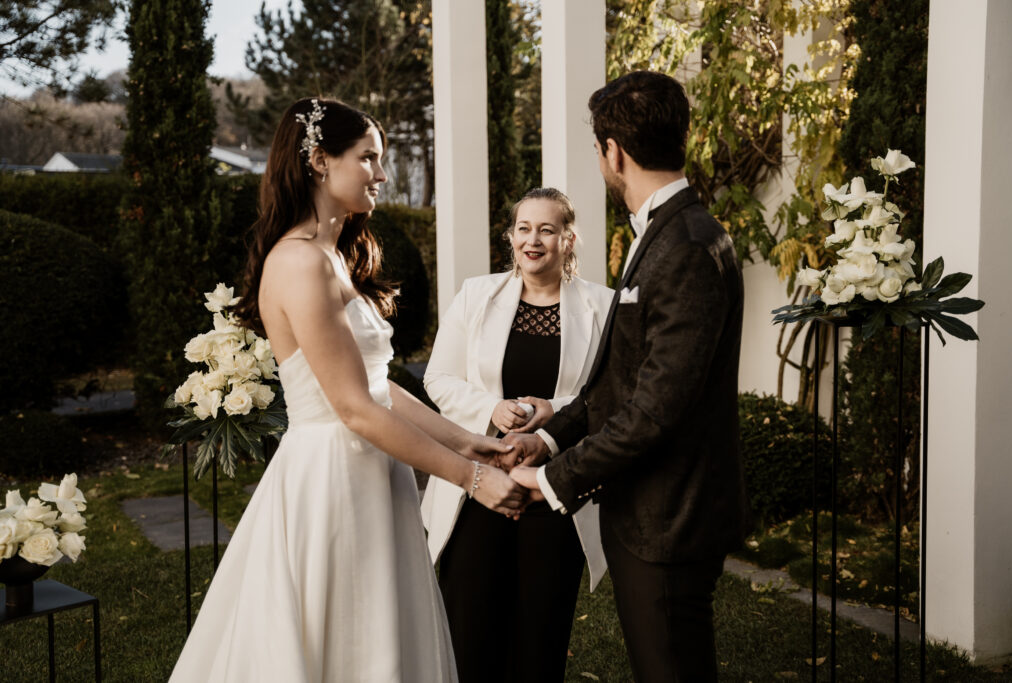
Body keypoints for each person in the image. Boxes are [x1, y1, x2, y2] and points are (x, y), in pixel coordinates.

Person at [169, 97, 524, 682]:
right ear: (317, 160)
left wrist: (471, 443)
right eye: (368, 159)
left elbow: (377, 386)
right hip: (331, 478)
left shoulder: (333, 256)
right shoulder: (299, 262)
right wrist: (473, 481)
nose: (381, 175)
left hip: (372, 471)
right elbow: (355, 409)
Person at [508, 71, 751, 682]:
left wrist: (551, 479)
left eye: (597, 150)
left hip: (669, 517)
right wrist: (551, 435)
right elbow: (619, 375)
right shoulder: (667, 233)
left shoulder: (689, 245)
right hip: (648, 511)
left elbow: (656, 408)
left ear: (612, 152)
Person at [419, 187, 615, 682]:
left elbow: (612, 395)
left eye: (547, 229)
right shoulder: (475, 295)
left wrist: (556, 409)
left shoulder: (602, 307)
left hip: (555, 493)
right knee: (469, 629)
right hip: (478, 487)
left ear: (568, 239)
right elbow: (437, 379)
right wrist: (492, 408)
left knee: (540, 637)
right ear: (510, 237)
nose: (534, 240)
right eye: (524, 229)